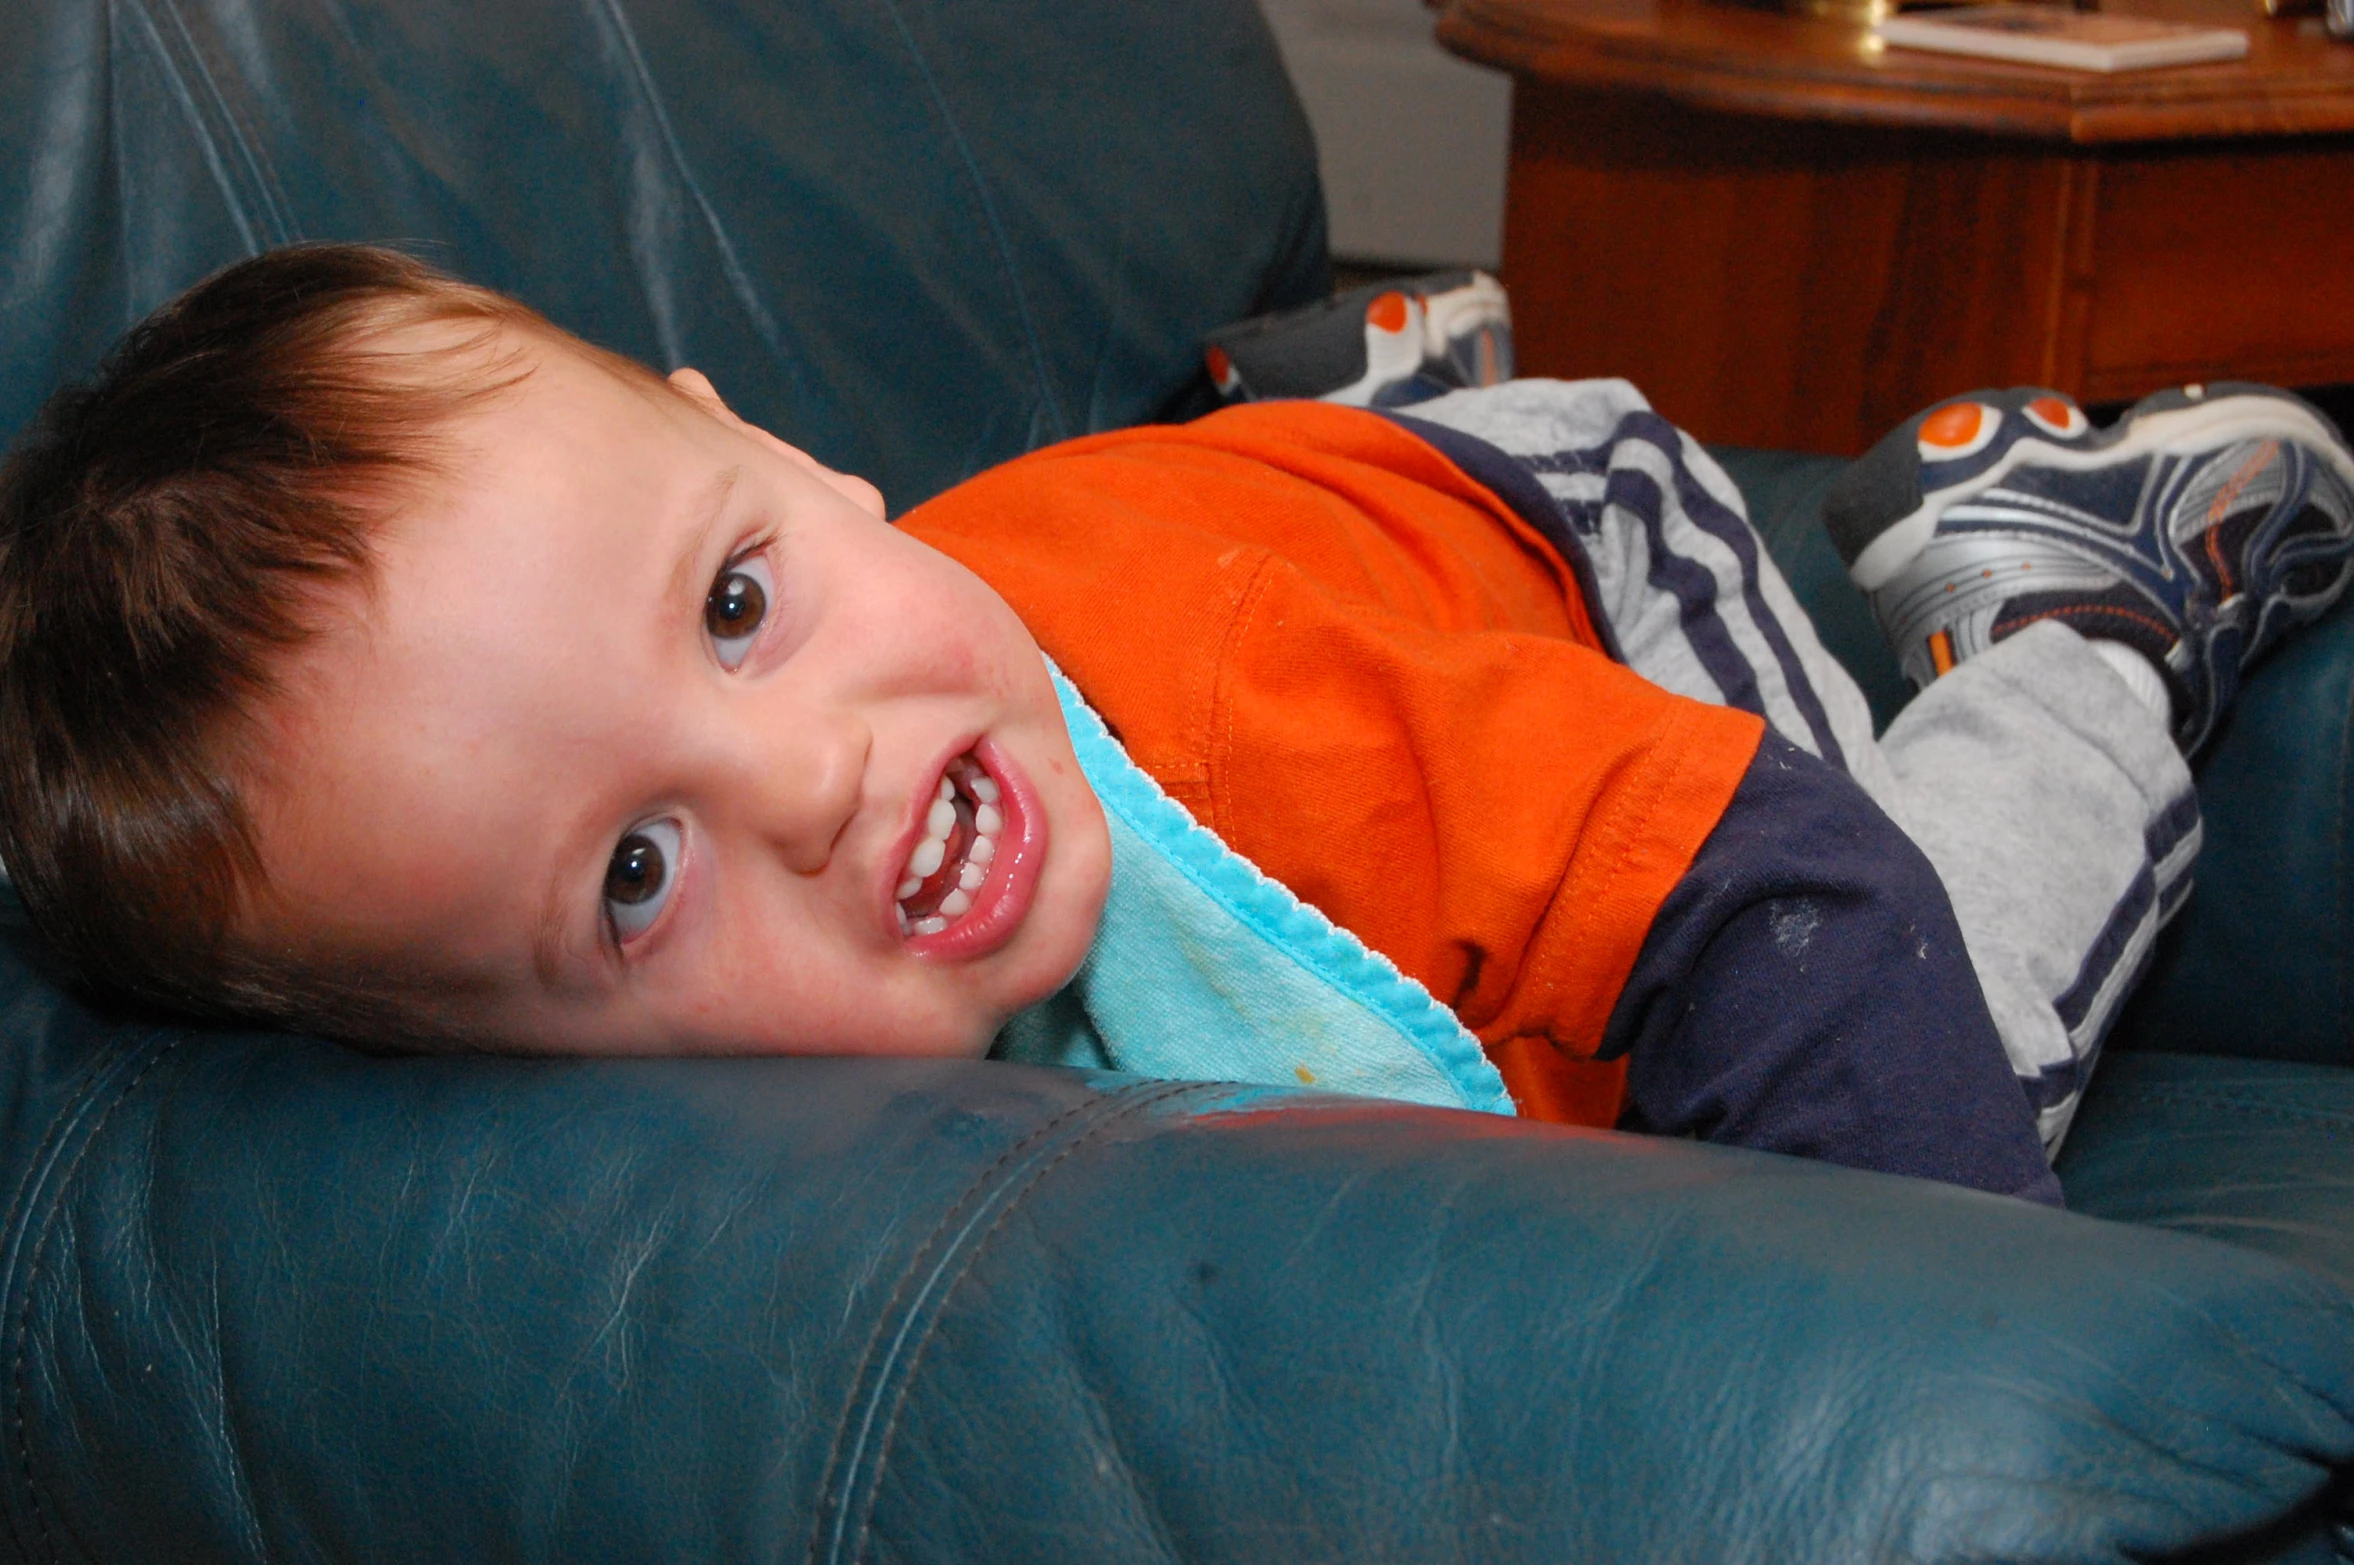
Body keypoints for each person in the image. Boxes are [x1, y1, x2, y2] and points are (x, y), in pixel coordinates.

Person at [1, 246, 2348, 1209]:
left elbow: (1789, 910)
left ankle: (2090, 581)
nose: (813, 775)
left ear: (802, 460)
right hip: (1176, 515)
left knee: (1926, 920)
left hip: (1549, 545)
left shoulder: (1267, 735)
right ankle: (1324, 370)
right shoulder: (896, 735)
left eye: (737, 601)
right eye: (632, 871)